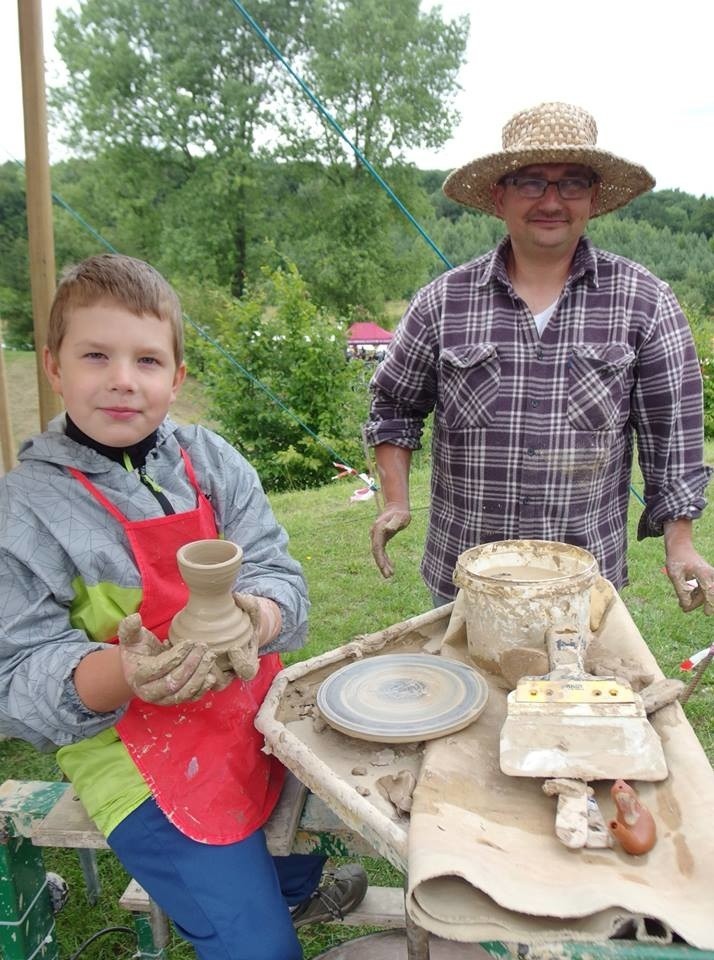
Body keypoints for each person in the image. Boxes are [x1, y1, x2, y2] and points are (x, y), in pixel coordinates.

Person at [0, 254, 367, 960]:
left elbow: (277, 572)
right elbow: (15, 674)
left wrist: (258, 615)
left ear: (177, 377)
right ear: (53, 366)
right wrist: (120, 674)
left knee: (325, 794)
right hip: (127, 747)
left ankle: (291, 889)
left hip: (248, 705)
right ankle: (255, 925)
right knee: (256, 949)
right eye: (95, 355)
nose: (121, 379)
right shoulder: (29, 506)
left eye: (147, 359)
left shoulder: (212, 460)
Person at [365, 101, 714, 613]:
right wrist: (396, 498)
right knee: (467, 694)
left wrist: (679, 543)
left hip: (583, 582)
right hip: (465, 579)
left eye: (571, 183)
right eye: (531, 182)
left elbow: (673, 433)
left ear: (593, 198)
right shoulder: (443, 301)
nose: (552, 200)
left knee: (576, 698)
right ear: (498, 195)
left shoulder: (645, 302)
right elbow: (393, 404)